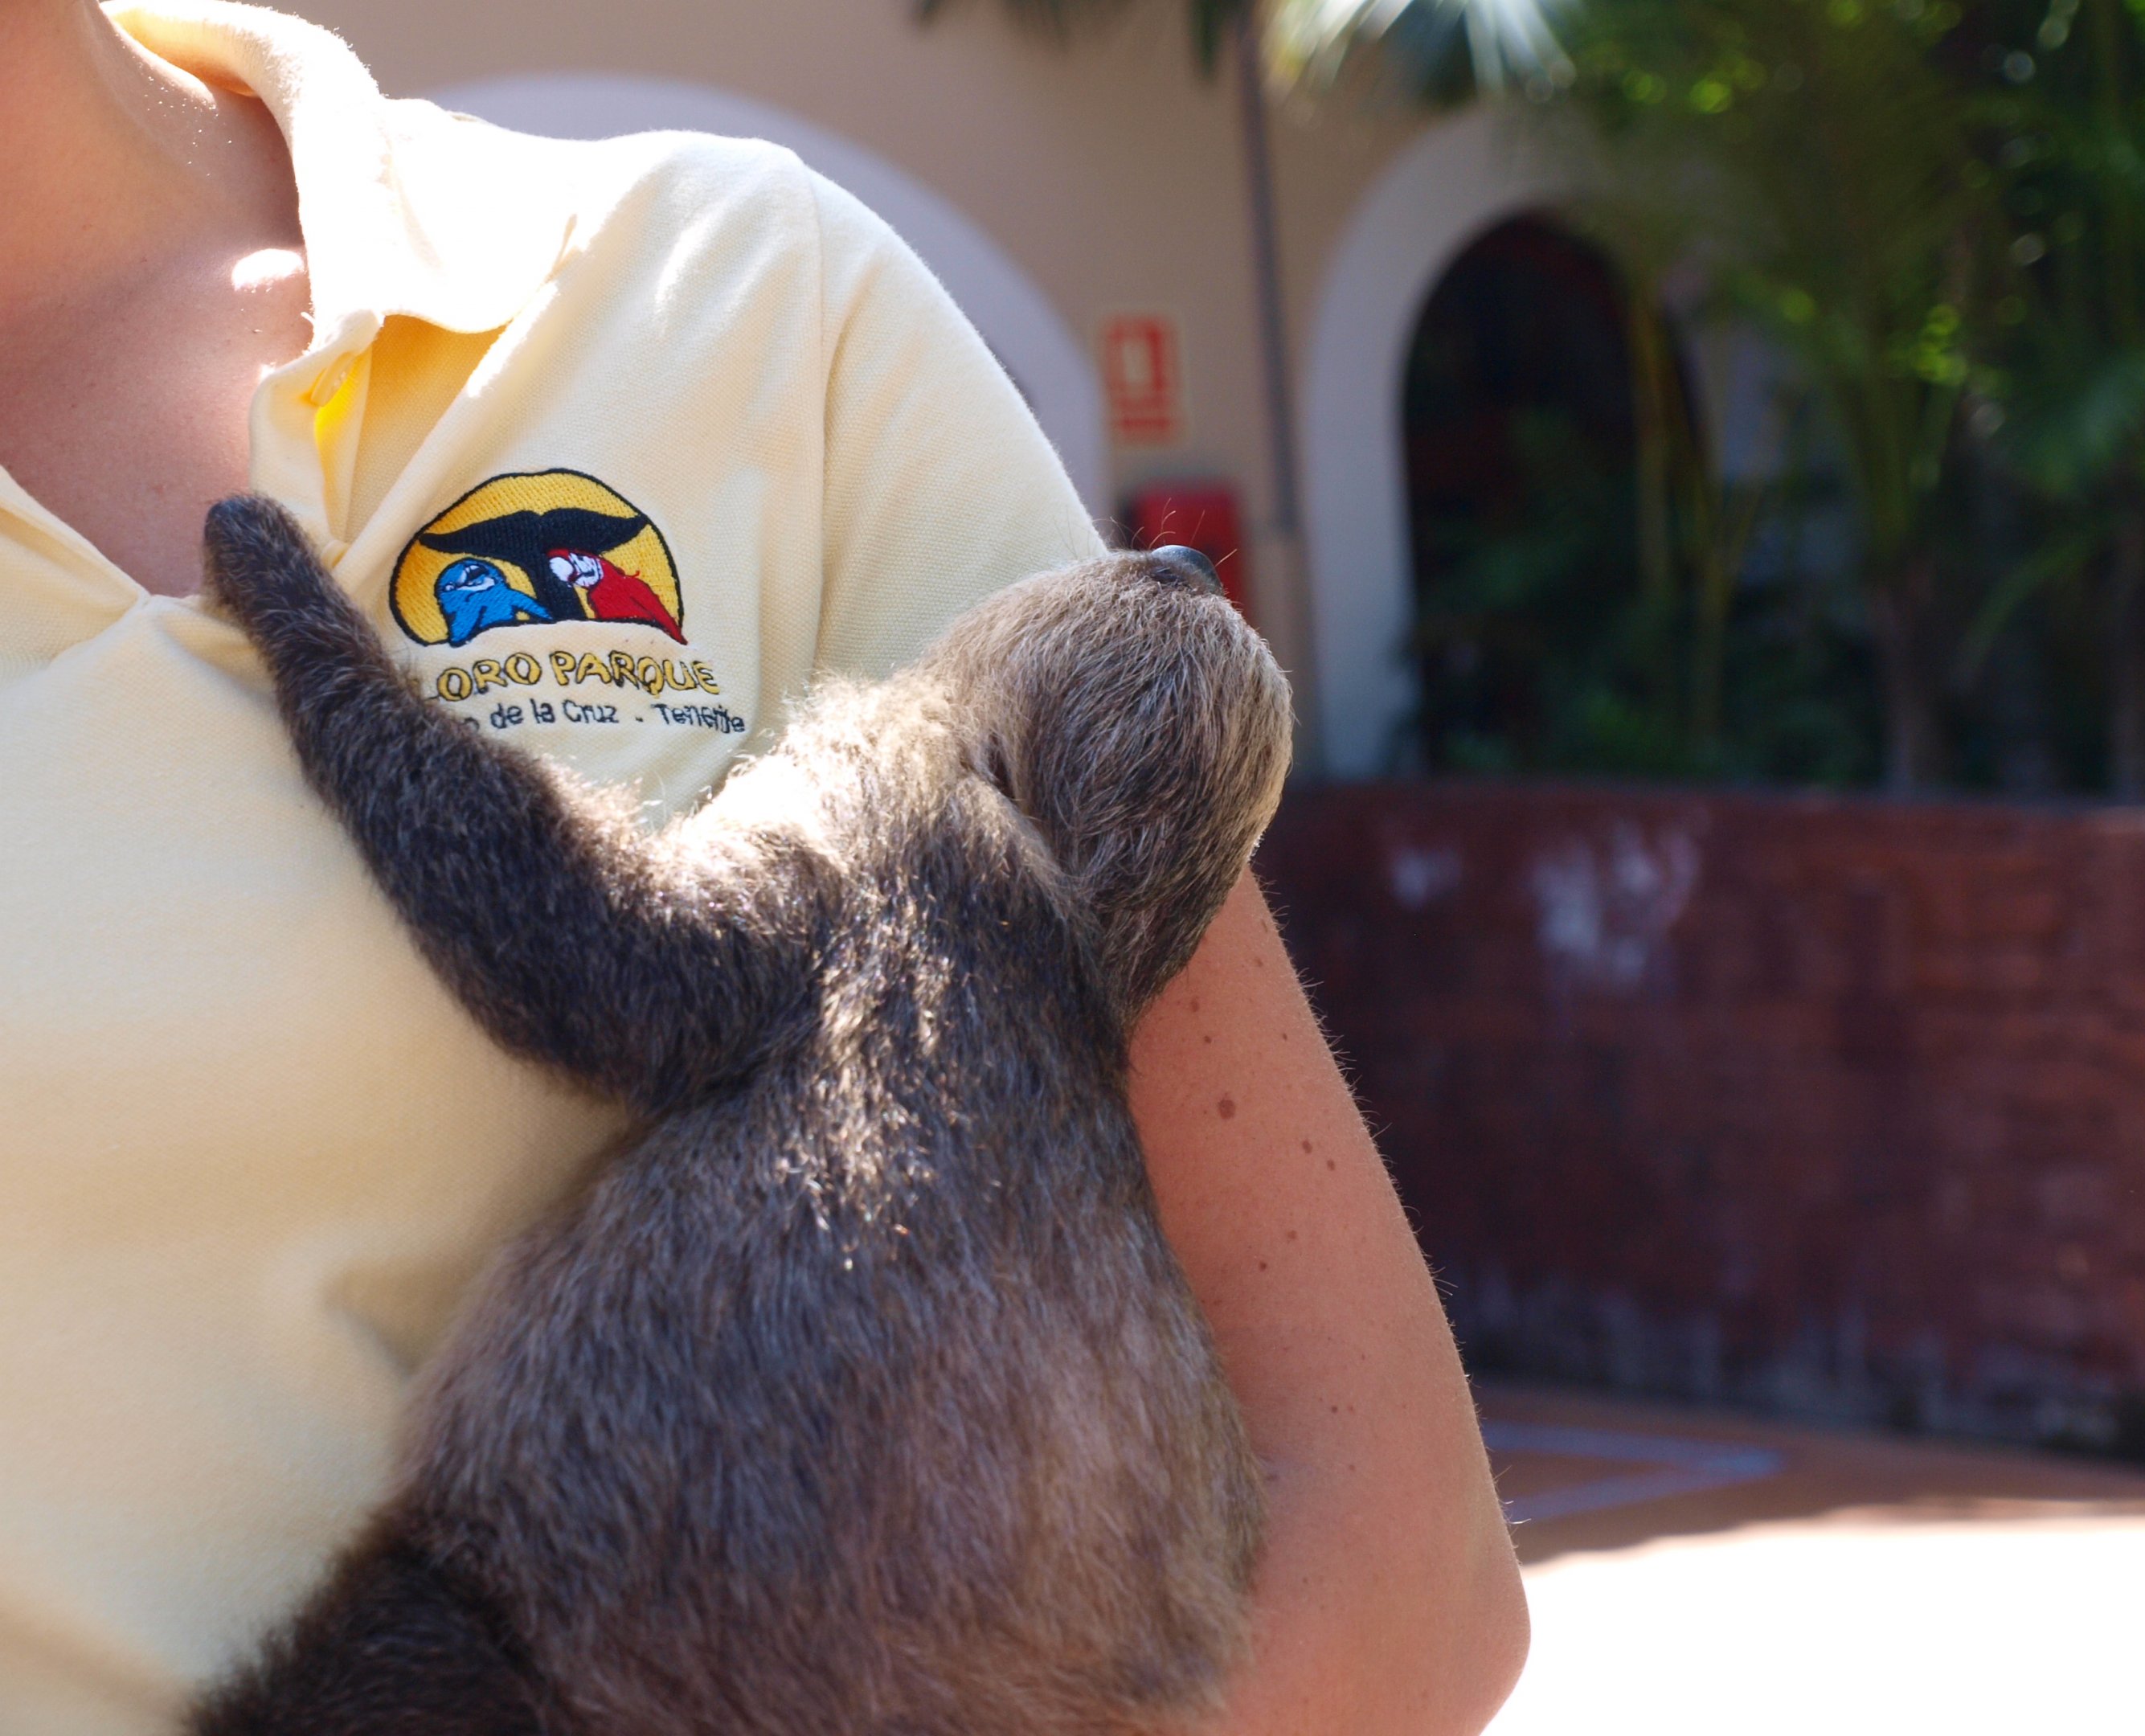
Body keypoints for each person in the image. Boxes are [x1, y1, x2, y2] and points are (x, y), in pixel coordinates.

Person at [0, 1, 1529, 1730]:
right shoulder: (942, 880)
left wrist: (318, 653)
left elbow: (1392, 1553)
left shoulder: (742, 309)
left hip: (544, 1622)